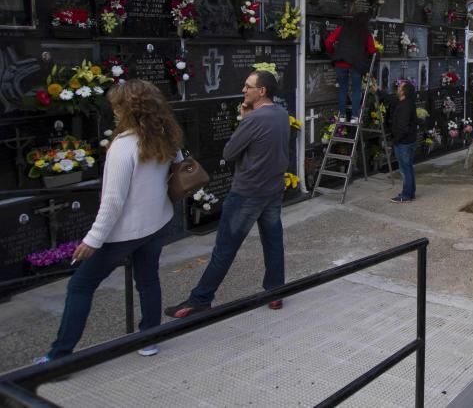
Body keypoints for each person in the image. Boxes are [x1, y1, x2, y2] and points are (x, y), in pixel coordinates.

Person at [36, 79, 183, 362]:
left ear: (127, 109)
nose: (114, 111)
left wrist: (93, 239)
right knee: (148, 280)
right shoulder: (165, 133)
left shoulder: (123, 146)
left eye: (117, 106)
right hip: (157, 221)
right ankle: (149, 339)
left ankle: (59, 356)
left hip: (125, 231)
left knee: (80, 285)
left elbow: (113, 202)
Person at [165, 70, 290, 318]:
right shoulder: (281, 113)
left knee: (225, 249)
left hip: (247, 193)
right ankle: (275, 292)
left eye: (248, 86)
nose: (244, 90)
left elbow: (229, 152)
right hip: (272, 190)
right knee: (273, 243)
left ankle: (200, 299)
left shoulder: (254, 119)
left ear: (262, 91)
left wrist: (244, 120)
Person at [324, 12, 376, 123]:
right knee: (356, 89)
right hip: (356, 64)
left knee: (343, 89)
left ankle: (342, 116)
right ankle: (354, 117)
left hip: (340, 62)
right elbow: (372, 50)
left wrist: (333, 52)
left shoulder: (341, 29)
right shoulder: (366, 33)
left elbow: (329, 41)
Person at [386, 81, 418, 202]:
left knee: (405, 170)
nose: (397, 88)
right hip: (407, 141)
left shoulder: (405, 106)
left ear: (404, 91)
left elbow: (403, 128)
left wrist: (395, 141)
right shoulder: (405, 102)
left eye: (400, 87)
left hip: (404, 142)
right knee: (408, 167)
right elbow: (391, 99)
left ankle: (406, 195)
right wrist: (377, 90)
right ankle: (410, 193)